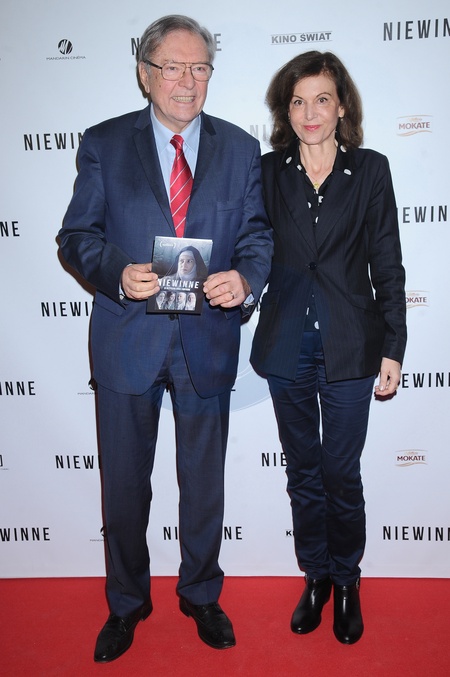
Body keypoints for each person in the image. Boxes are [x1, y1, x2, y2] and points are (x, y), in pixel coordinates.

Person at [58, 14, 272, 663]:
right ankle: (127, 602)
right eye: (173, 67)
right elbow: (77, 236)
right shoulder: (104, 143)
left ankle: (201, 593)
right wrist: (115, 274)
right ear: (145, 74)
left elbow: (258, 238)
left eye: (199, 67)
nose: (187, 81)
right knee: (124, 486)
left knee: (203, 484)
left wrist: (246, 279)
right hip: (127, 341)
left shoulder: (241, 149)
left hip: (207, 342)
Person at [250, 51, 406, 645]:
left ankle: (346, 581)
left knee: (341, 473)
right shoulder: (267, 173)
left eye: (322, 99)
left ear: (342, 107)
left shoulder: (371, 170)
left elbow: (387, 264)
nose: (310, 112)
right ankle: (314, 576)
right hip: (286, 345)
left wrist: (394, 345)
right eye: (298, 101)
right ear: (285, 111)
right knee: (303, 473)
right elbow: (251, 250)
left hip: (350, 346)